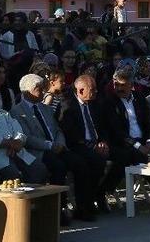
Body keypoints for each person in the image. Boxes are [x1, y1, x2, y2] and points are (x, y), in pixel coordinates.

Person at [10, 74, 82, 225]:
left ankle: (82, 206)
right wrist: (50, 145)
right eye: (38, 89)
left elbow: (57, 129)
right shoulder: (17, 112)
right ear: (26, 92)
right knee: (59, 167)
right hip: (39, 151)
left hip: (56, 146)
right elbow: (27, 138)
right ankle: (58, 210)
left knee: (79, 163)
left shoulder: (45, 108)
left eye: (43, 88)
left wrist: (59, 143)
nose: (42, 92)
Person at [57, 75, 121, 218]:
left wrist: (103, 142)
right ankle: (84, 205)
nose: (95, 93)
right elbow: (70, 134)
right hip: (77, 145)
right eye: (92, 90)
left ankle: (100, 193)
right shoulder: (67, 105)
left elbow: (103, 127)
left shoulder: (95, 103)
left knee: (123, 156)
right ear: (80, 91)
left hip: (96, 144)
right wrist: (92, 147)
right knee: (92, 162)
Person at [0, 82, 48, 184]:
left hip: (17, 151)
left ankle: (33, 199)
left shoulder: (3, 113)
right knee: (14, 176)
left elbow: (19, 131)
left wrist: (18, 142)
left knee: (40, 169)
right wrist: (10, 143)